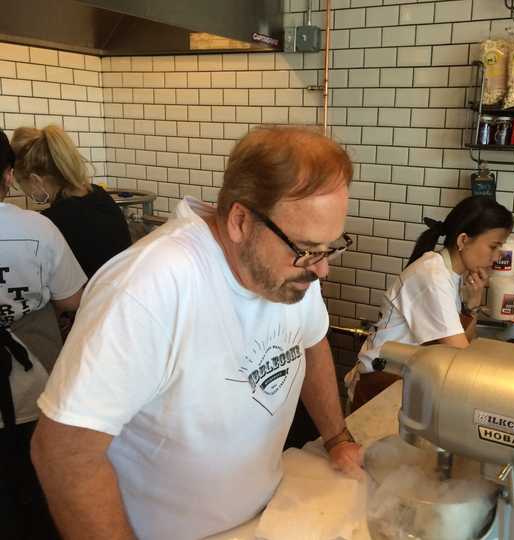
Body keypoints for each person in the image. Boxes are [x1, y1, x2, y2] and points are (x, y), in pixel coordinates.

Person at [30, 126, 363, 540]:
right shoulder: (147, 287)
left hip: (263, 515)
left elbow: (311, 342)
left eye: (331, 247)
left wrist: (337, 437)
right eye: (308, 249)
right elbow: (64, 453)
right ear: (241, 221)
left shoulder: (292, 272)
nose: (321, 269)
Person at [349, 196, 514, 411]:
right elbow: (464, 360)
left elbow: (461, 345)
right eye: (493, 246)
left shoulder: (450, 272)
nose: (497, 256)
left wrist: (471, 305)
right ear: (463, 240)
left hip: (405, 378)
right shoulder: (432, 276)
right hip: (381, 385)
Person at [0, 129, 87, 540]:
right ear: (6, 176)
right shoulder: (37, 229)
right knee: (35, 494)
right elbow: (75, 301)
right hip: (30, 389)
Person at [12, 125, 132, 279]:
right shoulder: (100, 195)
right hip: (123, 291)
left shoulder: (53, 221)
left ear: (35, 180)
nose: (25, 191)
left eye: (21, 183)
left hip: (92, 300)